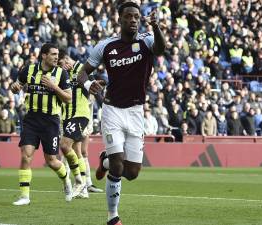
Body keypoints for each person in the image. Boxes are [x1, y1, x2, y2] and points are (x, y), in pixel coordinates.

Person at [76, 2, 165, 224]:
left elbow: (161, 49)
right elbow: (82, 73)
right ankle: (112, 217)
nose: (133, 20)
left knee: (132, 172)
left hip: (136, 112)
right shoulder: (106, 46)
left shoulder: (147, 40)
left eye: (136, 16)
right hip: (112, 110)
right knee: (118, 164)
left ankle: (104, 161)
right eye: (128, 16)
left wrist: (156, 27)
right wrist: (89, 86)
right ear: (120, 19)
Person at [10, 43, 72, 206]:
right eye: (53, 54)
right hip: (31, 119)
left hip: (51, 121)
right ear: (43, 55)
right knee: (25, 155)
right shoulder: (28, 70)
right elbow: (17, 85)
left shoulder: (61, 73)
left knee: (52, 161)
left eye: (57, 54)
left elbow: (68, 97)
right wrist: (15, 87)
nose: (56, 57)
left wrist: (54, 87)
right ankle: (24, 196)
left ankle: (66, 181)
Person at [58, 50, 91, 199]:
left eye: (61, 63)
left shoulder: (82, 70)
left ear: (66, 59)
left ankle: (80, 182)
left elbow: (93, 87)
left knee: (65, 145)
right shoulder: (62, 74)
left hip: (79, 114)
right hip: (67, 116)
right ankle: (83, 188)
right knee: (77, 151)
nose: (61, 67)